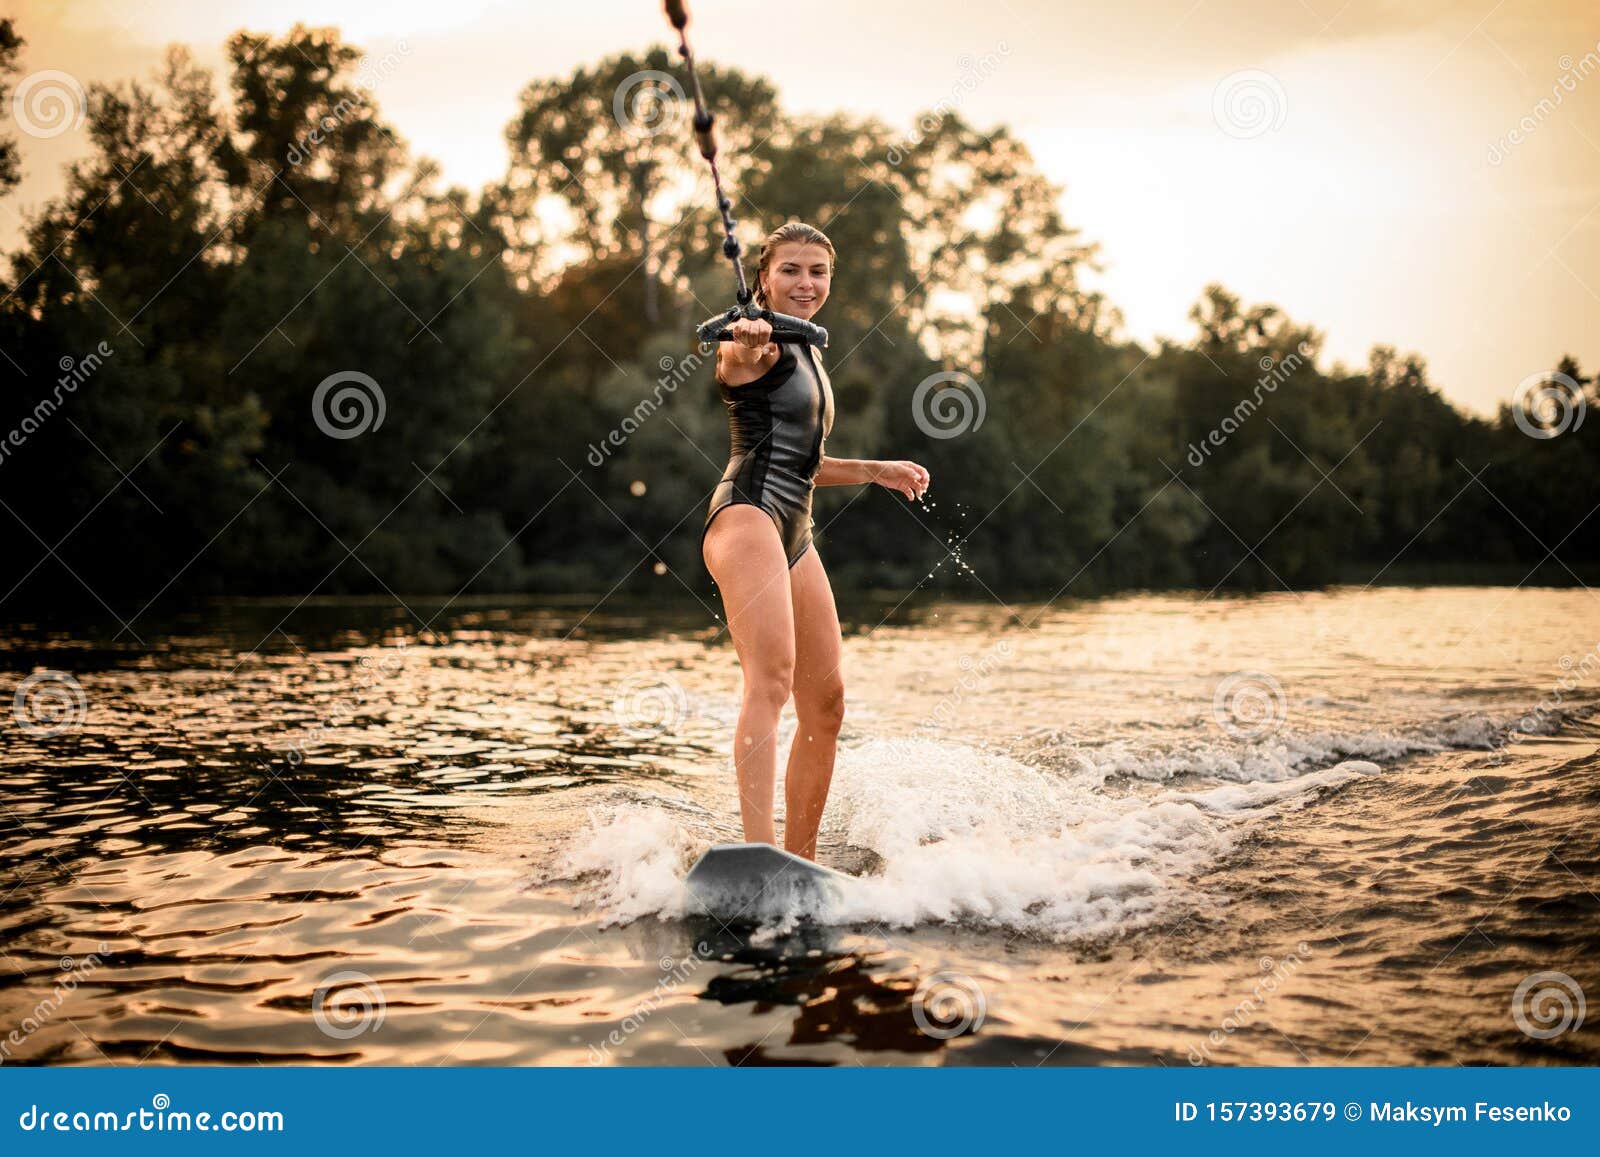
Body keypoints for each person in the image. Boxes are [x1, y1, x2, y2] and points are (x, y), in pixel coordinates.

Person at [701, 221, 931, 861]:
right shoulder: (759, 344)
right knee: (770, 680)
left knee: (826, 704)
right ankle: (757, 854)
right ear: (763, 279)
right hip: (747, 516)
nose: (806, 284)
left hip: (795, 529)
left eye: (818, 272)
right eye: (791, 271)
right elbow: (737, 358)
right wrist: (746, 339)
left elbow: (803, 459)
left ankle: (799, 864)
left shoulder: (811, 351)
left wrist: (873, 471)